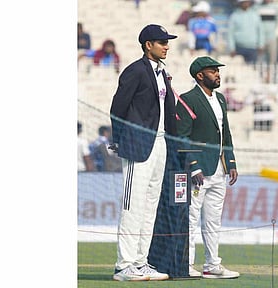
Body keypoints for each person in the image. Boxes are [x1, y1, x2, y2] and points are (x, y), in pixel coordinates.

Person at [109, 24, 178, 282]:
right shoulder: (135, 70)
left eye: (167, 41)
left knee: (149, 207)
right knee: (132, 206)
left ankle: (140, 262)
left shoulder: (163, 73)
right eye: (161, 41)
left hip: (160, 144)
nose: (166, 45)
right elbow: (118, 107)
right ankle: (123, 265)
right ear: (148, 44)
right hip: (138, 145)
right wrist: (119, 140)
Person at [175, 56, 239, 279]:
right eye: (213, 71)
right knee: (191, 218)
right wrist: (192, 166)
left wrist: (230, 162)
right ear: (200, 75)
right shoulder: (187, 99)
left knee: (213, 220)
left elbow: (226, 133)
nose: (218, 74)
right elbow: (181, 137)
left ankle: (212, 264)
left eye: (218, 71)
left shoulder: (220, 99)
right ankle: (186, 264)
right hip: (198, 171)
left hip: (219, 169)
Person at [227, 0, 264, 65]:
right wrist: (231, 48)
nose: (246, 3)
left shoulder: (255, 15)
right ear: (240, 3)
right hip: (239, 48)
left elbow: (260, 31)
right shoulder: (234, 16)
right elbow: (230, 33)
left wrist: (260, 45)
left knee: (252, 70)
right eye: (244, 2)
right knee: (239, 71)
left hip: (252, 48)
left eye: (247, 2)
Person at [256, 0, 278, 65]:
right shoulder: (257, 7)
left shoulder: (275, 7)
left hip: (272, 37)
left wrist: (270, 30)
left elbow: (277, 21)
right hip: (260, 39)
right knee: (260, 60)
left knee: (272, 60)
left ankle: (271, 74)